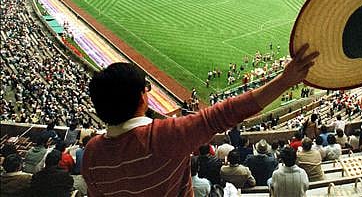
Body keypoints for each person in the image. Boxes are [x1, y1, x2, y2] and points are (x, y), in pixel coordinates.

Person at [82, 44, 317, 196]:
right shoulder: (164, 136)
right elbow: (226, 113)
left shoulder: (92, 153)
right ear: (142, 98)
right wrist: (284, 81)